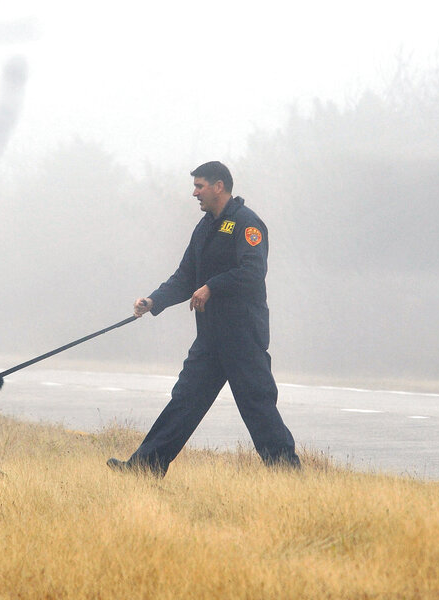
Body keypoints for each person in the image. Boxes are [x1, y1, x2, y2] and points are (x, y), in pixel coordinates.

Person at [108, 161, 300, 476]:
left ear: (219, 186)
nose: (194, 193)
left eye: (199, 186)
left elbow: (252, 272)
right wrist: (154, 301)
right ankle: (145, 467)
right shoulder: (205, 226)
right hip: (211, 338)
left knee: (258, 408)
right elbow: (186, 276)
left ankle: (290, 476)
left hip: (242, 336)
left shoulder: (246, 224)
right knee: (184, 401)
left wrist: (213, 286)